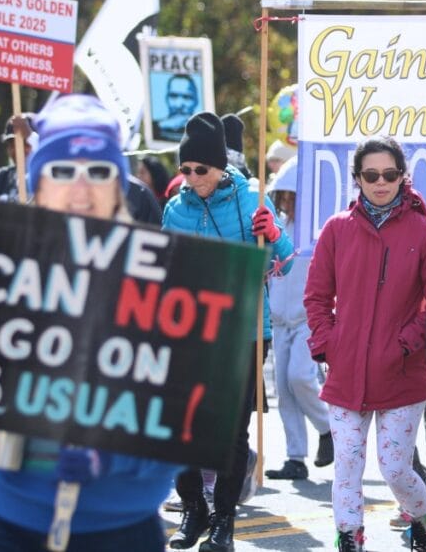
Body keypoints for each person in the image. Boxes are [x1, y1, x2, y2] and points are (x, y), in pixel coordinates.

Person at [0, 93, 182, 551]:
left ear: (119, 186)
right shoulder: (1, 274)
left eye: (98, 172)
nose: (80, 188)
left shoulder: (166, 288)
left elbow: (190, 417)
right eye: (61, 171)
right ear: (37, 184)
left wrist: (117, 459)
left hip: (122, 529)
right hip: (6, 523)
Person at [304, 135, 426, 552]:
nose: (380, 182)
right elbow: (316, 295)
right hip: (346, 371)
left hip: (402, 373)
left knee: (394, 468)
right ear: (358, 179)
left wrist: (407, 343)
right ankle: (349, 537)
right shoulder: (336, 229)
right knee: (347, 461)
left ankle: (425, 521)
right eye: (371, 175)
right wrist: (328, 343)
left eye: (389, 174)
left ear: (403, 177)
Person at [163, 112, 294, 552]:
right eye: (186, 169)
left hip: (246, 329)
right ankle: (192, 509)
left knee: (231, 432)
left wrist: (272, 232)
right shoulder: (175, 207)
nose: (194, 177)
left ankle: (224, 521)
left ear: (220, 166)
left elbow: (286, 256)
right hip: (190, 330)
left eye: (201, 168)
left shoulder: (251, 196)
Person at [263, 157, 333, 481]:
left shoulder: (316, 229)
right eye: (283, 196)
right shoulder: (276, 229)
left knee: (300, 377)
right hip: (279, 318)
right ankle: (295, 456)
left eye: (293, 195)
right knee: (285, 391)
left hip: (308, 317)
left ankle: (327, 427)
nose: (287, 202)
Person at [0, 112, 37, 201]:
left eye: (25, 144)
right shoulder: (2, 178)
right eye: (11, 145)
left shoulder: (45, 180)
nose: (15, 151)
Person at [154, 74, 200, 141]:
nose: (179, 105)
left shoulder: (206, 131)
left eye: (186, 97)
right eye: (173, 96)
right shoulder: (154, 127)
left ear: (196, 101)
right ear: (166, 99)